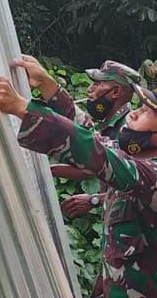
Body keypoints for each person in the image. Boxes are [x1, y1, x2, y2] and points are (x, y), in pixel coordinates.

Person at [0, 56, 157, 298]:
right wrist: (48, 86)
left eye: (146, 112)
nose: (133, 114)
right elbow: (91, 136)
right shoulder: (135, 164)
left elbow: (97, 154)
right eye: (140, 107)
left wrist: (23, 109)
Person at [52, 61, 141, 219]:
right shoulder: (109, 125)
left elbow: (139, 185)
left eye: (97, 84)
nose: (89, 89)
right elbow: (95, 166)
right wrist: (49, 171)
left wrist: (95, 200)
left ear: (115, 92)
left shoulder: (128, 130)